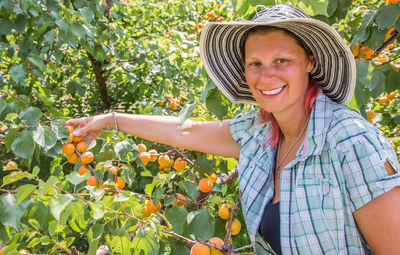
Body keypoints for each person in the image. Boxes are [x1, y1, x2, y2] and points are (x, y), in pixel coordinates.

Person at [66, 4, 400, 255]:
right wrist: (110, 120)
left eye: (282, 60)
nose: (266, 75)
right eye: (255, 63)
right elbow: (186, 132)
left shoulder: (349, 141)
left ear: (309, 62)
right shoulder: (258, 133)